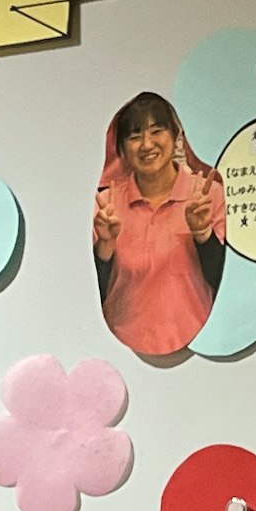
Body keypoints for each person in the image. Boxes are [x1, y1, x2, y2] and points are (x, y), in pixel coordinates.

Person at [91, 91, 226, 358]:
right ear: (120, 148)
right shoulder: (106, 203)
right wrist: (104, 245)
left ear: (176, 136)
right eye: (134, 136)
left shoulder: (208, 194)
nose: (146, 144)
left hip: (200, 343)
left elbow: (227, 280)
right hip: (122, 347)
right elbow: (91, 289)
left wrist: (202, 233)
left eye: (157, 131)